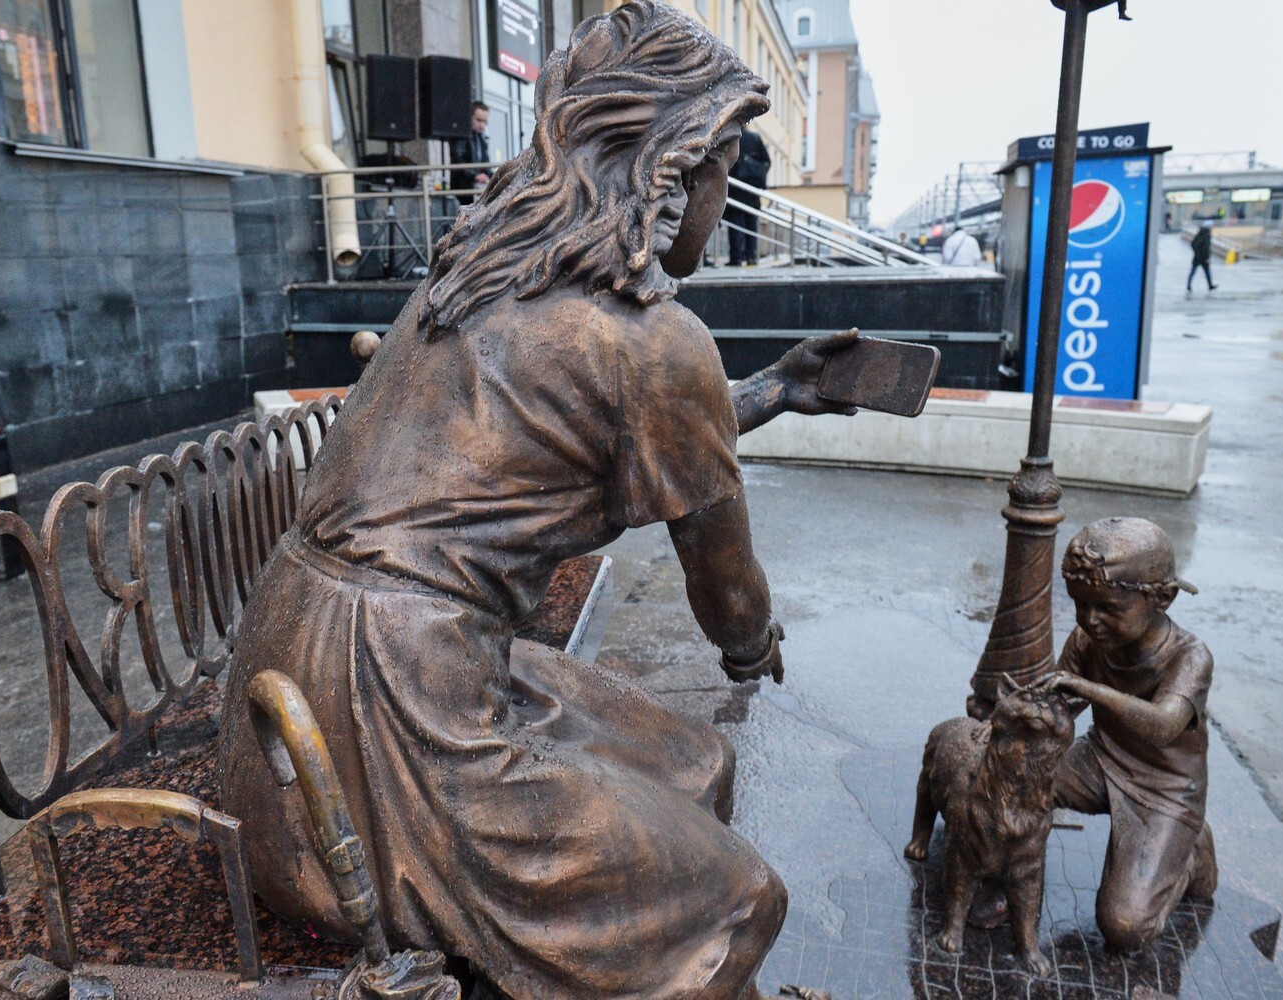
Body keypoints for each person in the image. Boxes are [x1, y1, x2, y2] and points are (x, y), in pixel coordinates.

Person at [219, 5, 858, 998]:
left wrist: (773, 388)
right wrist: (751, 645)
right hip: (391, 728)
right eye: (725, 169)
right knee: (738, 903)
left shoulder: (481, 272)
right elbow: (729, 597)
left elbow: (631, 431)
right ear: (673, 168)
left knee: (693, 759)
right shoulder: (654, 340)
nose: (724, 196)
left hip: (280, 688)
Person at [1041, 518, 1217, 953]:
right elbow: (1058, 704)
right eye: (1081, 605)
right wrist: (1012, 722)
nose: (1090, 619)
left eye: (1108, 609)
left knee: (1125, 927)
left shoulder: (1190, 657)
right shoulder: (1088, 637)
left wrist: (1085, 688)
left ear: (1163, 599)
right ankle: (1004, 880)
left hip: (1166, 787)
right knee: (1022, 779)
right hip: (1100, 759)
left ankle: (1190, 853)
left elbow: (1163, 726)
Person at [725, 127, 771, 265]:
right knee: (751, 223)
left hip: (734, 190)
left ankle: (736, 257)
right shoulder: (754, 138)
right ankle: (751, 256)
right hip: (751, 190)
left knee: (736, 223)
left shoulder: (729, 138)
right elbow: (766, 162)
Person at [447, 101, 491, 206]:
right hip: (464, 187)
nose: (482, 125)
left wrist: (489, 175)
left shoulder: (481, 138)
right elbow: (458, 160)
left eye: (484, 121)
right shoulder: (462, 136)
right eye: (478, 120)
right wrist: (475, 175)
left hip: (475, 185)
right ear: (470, 118)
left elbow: (485, 162)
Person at [1187, 223, 1217, 292]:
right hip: (1204, 258)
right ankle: (1210, 285)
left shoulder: (1199, 235)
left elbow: (1192, 244)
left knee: (1193, 271)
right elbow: (1207, 247)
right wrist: (1207, 257)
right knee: (1207, 272)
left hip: (1197, 257)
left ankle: (1188, 285)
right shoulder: (1207, 235)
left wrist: (1196, 252)